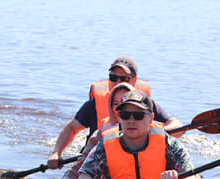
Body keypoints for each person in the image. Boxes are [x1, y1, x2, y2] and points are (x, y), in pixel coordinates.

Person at [52, 89, 203, 179]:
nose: (131, 120)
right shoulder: (105, 147)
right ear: (119, 118)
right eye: (125, 115)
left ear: (150, 118)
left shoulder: (168, 144)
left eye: (138, 115)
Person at [47, 56, 183, 170]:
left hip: (135, 161)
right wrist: (56, 152)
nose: (117, 82)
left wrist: (153, 132)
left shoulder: (145, 105)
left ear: (134, 80)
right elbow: (71, 128)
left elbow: (177, 125)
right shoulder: (93, 105)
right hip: (97, 159)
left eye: (123, 78)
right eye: (113, 77)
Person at [26, 82, 136, 179]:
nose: (121, 109)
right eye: (116, 104)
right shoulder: (100, 140)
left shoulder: (159, 140)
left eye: (126, 104)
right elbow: (77, 173)